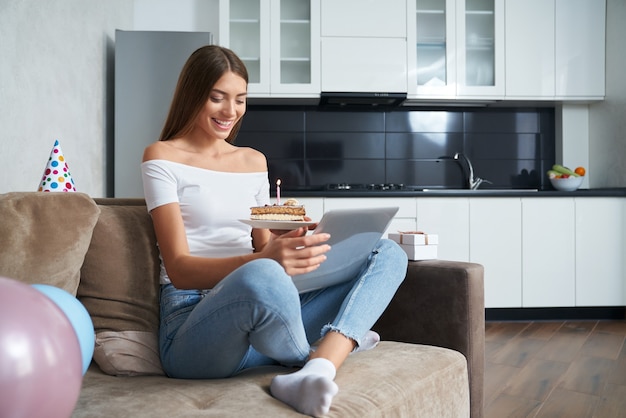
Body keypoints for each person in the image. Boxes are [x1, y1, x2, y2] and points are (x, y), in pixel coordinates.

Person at [141, 45, 408, 417]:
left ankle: (318, 368)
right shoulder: (162, 157)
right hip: (194, 326)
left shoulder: (253, 161)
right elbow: (181, 269)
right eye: (217, 98)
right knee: (262, 273)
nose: (230, 112)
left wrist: (291, 241)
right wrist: (264, 260)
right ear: (193, 94)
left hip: (265, 319)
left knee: (388, 252)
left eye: (240, 100)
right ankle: (336, 343)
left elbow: (263, 244)